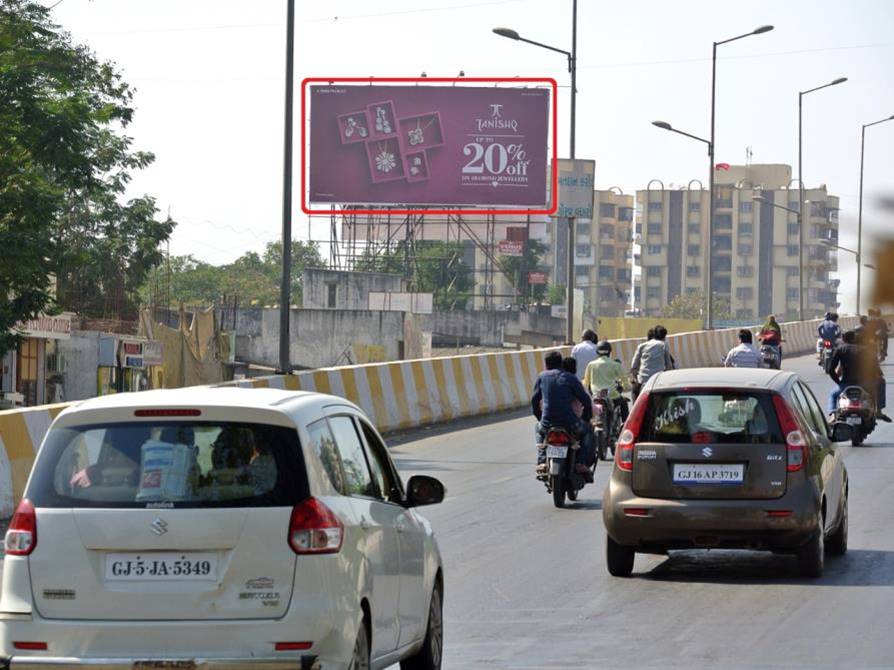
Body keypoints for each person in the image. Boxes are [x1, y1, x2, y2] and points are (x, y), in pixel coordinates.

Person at [532, 351, 595, 478]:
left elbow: (534, 400)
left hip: (547, 422)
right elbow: (585, 399)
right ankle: (580, 463)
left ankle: (542, 461)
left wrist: (541, 418)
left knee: (538, 429)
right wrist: (587, 418)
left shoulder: (542, 377)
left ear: (546, 364)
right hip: (570, 423)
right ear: (560, 363)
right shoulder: (570, 377)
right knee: (588, 431)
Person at [827, 330, 890, 422]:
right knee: (881, 381)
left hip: (846, 384)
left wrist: (839, 382)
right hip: (866, 385)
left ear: (844, 339)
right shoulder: (868, 350)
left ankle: (833, 414)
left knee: (833, 395)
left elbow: (831, 370)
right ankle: (879, 411)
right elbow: (877, 370)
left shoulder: (840, 349)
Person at [583, 340, 629, 422]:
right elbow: (625, 382)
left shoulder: (591, 364)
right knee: (624, 403)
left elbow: (585, 384)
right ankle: (625, 426)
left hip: (596, 395)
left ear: (597, 352)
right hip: (612, 395)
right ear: (609, 352)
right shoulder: (615, 364)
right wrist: (626, 387)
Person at [630, 325, 675, 402]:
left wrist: (635, 377)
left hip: (643, 381)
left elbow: (634, 367)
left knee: (634, 391)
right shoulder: (663, 345)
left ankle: (635, 409)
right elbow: (669, 366)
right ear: (664, 337)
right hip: (659, 380)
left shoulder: (641, 346)